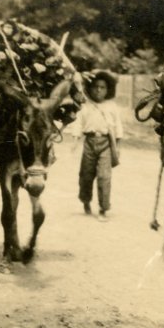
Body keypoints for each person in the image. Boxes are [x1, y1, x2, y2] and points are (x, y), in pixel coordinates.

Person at [71, 71, 124, 222]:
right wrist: (75, 140)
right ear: (90, 88)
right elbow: (78, 123)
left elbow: (118, 126)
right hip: (89, 142)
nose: (99, 90)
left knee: (104, 176)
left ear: (108, 90)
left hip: (106, 143)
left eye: (102, 87)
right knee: (86, 175)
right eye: (96, 87)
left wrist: (118, 146)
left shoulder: (111, 106)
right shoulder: (85, 105)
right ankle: (86, 200)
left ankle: (103, 208)